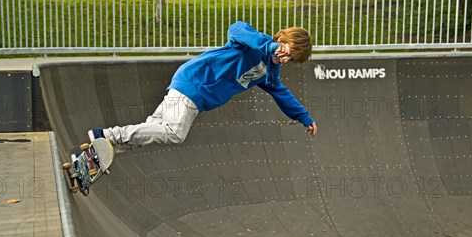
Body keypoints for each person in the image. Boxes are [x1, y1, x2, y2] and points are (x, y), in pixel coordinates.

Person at [89, 21, 317, 149]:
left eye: (291, 60)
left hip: (195, 93)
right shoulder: (254, 43)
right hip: (194, 82)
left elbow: (282, 95)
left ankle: (101, 151)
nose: (284, 59)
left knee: (153, 130)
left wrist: (304, 118)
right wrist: (267, 46)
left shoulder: (270, 74)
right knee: (175, 133)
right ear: (281, 40)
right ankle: (107, 135)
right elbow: (236, 28)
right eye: (286, 52)